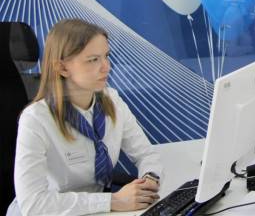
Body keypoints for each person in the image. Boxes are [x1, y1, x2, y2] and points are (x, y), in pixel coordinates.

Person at [8, 19, 163, 215]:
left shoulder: (112, 100)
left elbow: (146, 154)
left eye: (106, 56)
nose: (106, 67)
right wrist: (112, 201)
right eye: (93, 60)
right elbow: (33, 204)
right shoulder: (36, 119)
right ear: (62, 68)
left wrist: (150, 179)